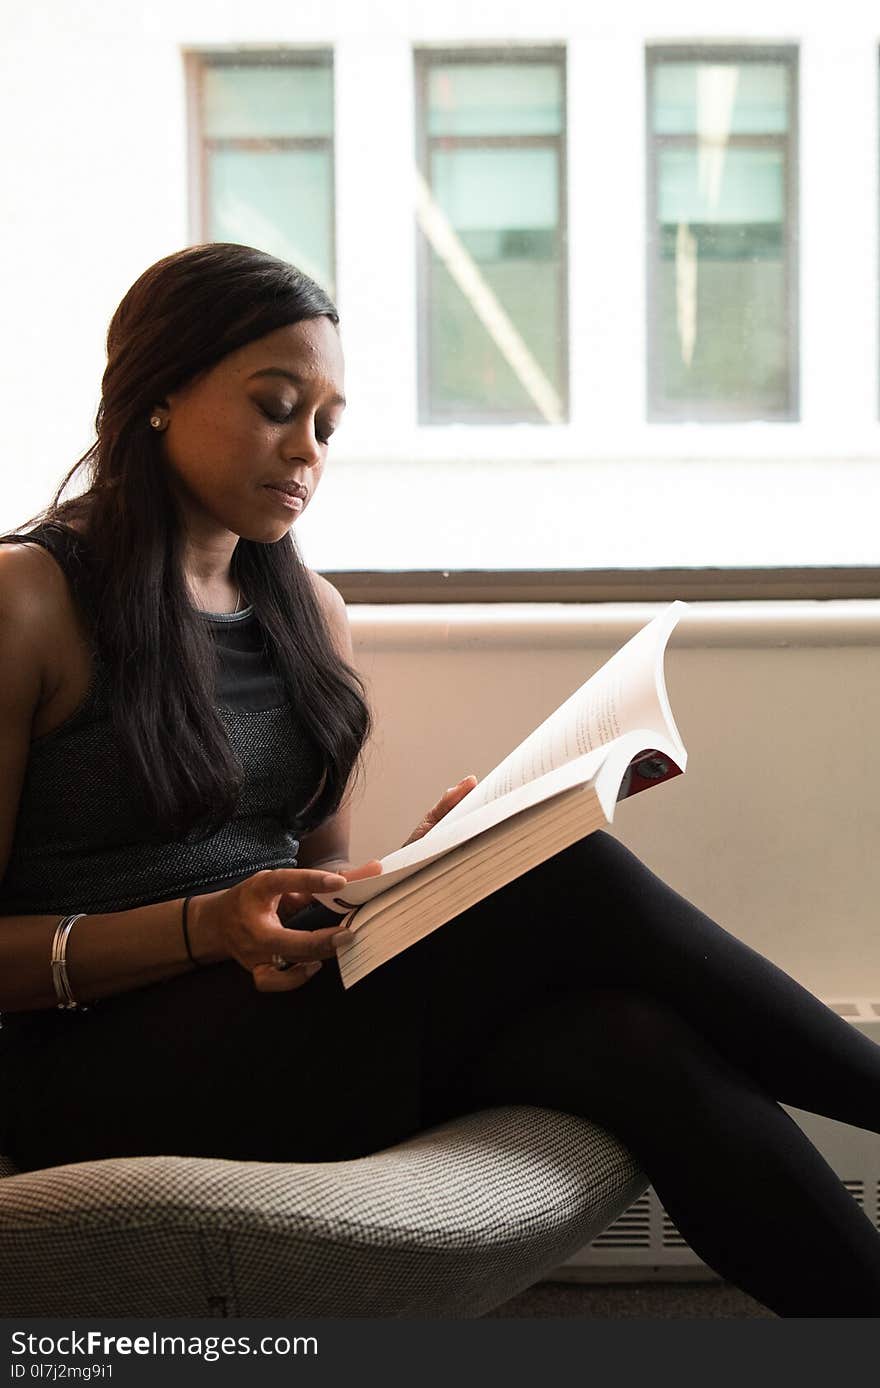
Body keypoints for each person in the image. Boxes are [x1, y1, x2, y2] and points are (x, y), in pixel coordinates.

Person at [0, 243, 878, 1320]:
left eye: (327, 424)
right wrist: (203, 927)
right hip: (80, 1066)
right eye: (277, 405)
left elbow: (311, 882)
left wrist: (429, 867)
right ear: (159, 392)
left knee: (628, 1037)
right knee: (572, 879)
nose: (306, 450)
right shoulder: (30, 599)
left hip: (262, 1028)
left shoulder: (304, 610)